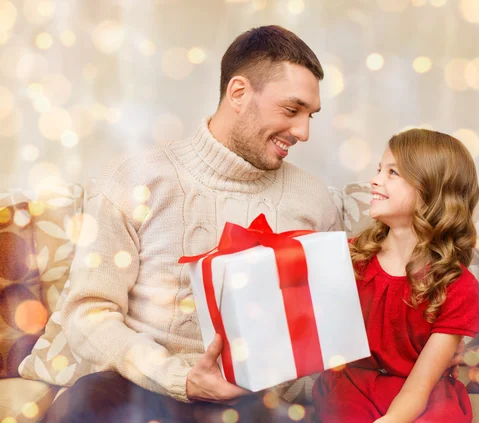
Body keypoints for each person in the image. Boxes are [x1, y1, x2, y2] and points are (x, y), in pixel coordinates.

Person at [42, 25, 340, 423]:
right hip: (142, 388)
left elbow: (326, 334)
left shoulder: (315, 201)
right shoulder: (136, 178)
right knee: (89, 402)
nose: (303, 132)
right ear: (238, 93)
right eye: (291, 110)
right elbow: (87, 313)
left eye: (310, 116)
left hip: (256, 402)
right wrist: (179, 378)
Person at [312, 129, 479, 423]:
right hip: (352, 387)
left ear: (432, 191)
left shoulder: (458, 285)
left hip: (422, 393)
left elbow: (421, 385)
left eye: (393, 172)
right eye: (379, 169)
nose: (375, 180)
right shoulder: (348, 258)